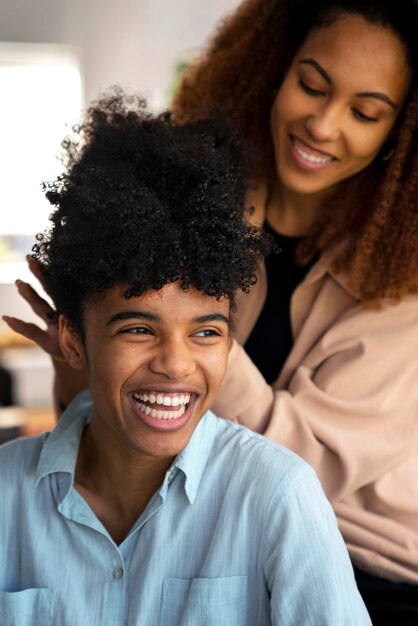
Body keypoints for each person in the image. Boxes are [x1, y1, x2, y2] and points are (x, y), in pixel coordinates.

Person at [3, 0, 418, 622]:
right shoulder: (213, 197)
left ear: (401, 134)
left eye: (364, 112)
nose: (324, 125)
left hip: (367, 559)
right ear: (274, 68)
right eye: (311, 85)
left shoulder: (402, 283)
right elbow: (113, 421)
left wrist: (178, 339)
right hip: (175, 514)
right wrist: (81, 345)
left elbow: (309, 468)